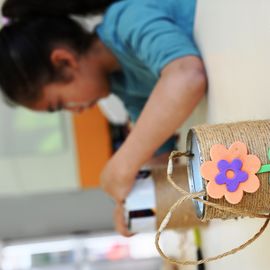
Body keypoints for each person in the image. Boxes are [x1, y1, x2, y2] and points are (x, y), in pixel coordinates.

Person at [0, 0, 207, 235]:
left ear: (65, 61)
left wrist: (123, 162)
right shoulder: (123, 85)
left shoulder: (125, 20)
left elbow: (187, 77)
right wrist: (131, 204)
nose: (75, 111)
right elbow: (159, 154)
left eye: (60, 104)